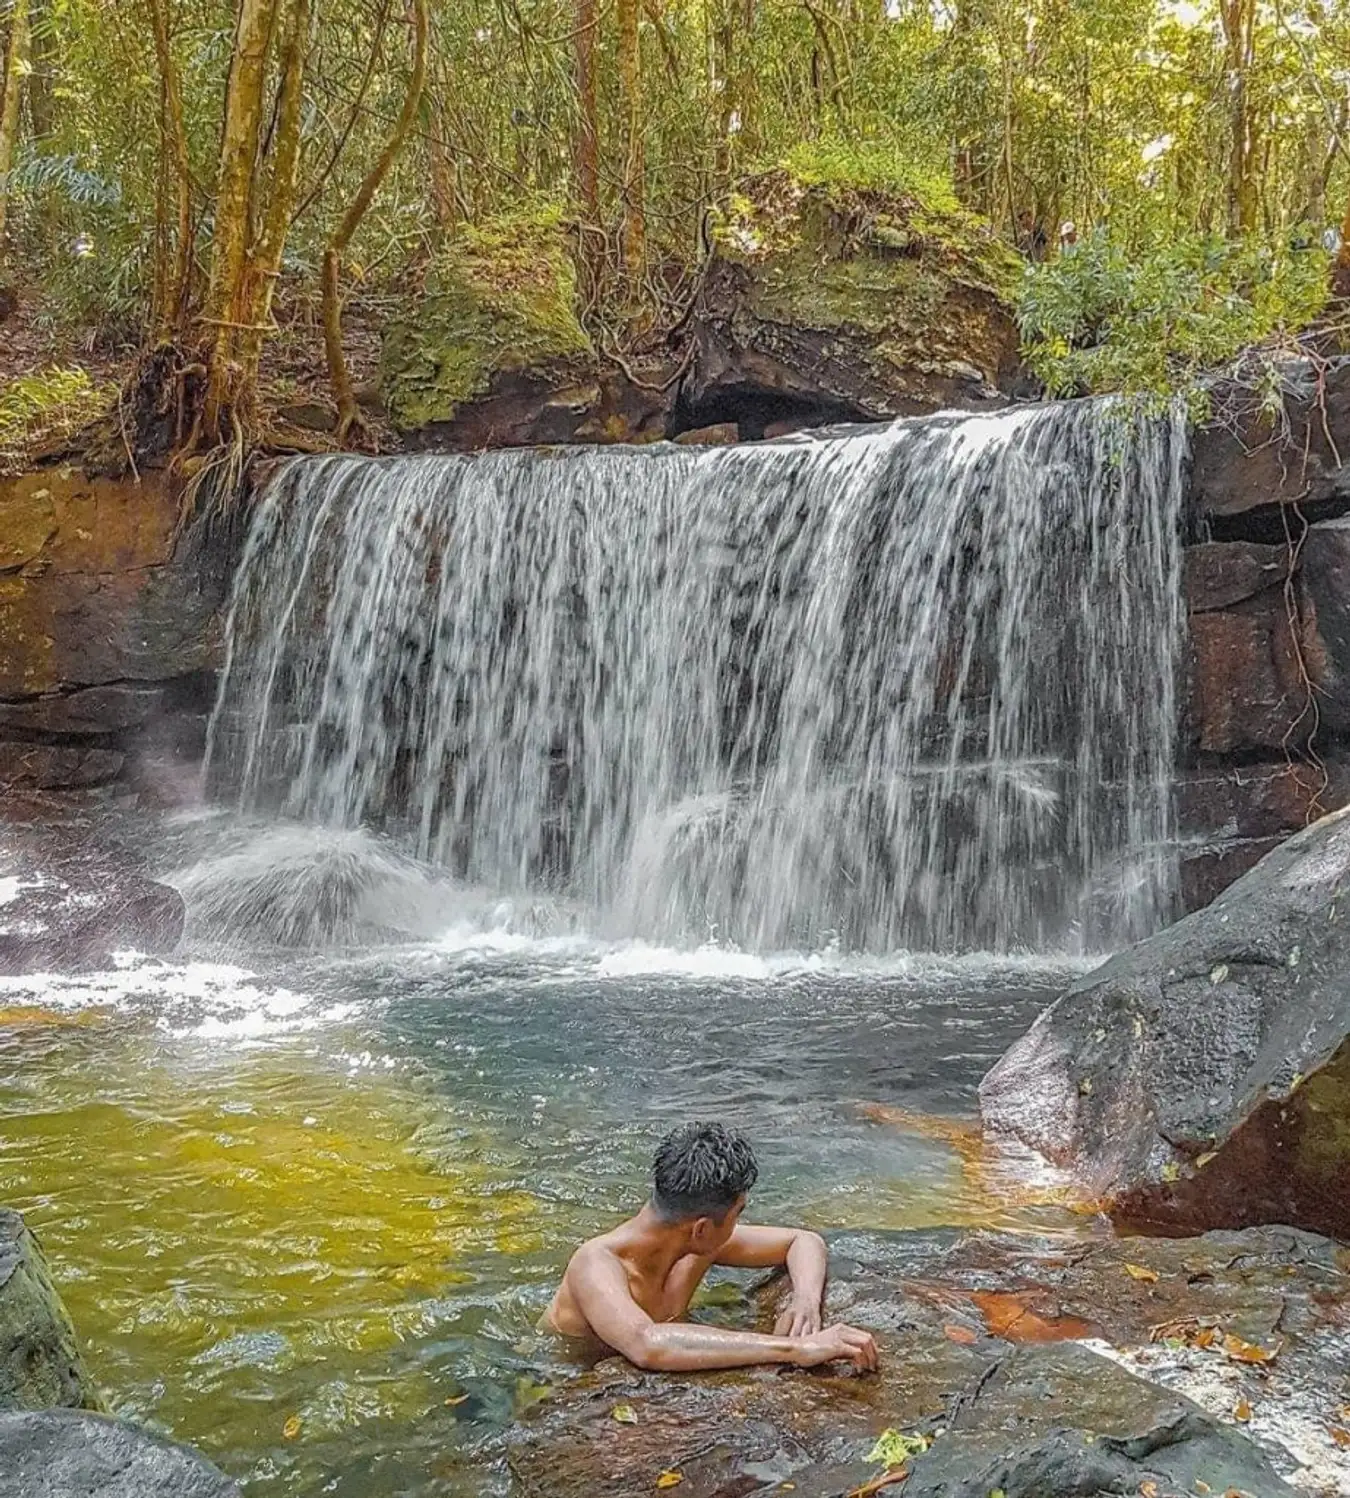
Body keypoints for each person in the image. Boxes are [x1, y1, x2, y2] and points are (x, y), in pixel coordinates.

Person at [543, 1121, 879, 1373]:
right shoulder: (595, 1263)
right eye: (738, 1214)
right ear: (702, 1228)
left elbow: (803, 1241)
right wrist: (796, 1347)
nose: (739, 1224)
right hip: (555, 1376)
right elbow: (647, 1343)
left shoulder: (694, 1247)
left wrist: (805, 1302)